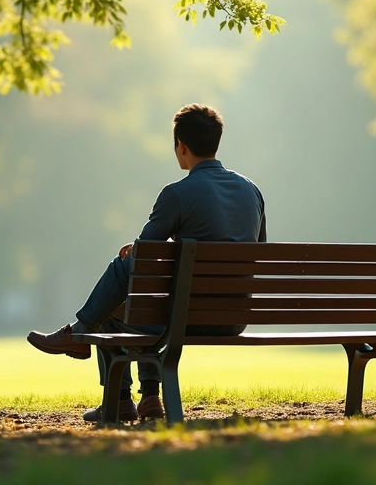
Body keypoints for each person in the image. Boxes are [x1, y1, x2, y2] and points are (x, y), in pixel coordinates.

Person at [27, 104, 267, 422]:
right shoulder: (252, 191)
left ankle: (106, 372)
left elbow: (142, 262)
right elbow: (258, 252)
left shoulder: (176, 194)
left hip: (185, 318)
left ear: (181, 146)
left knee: (118, 291)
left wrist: (140, 252)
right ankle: (148, 398)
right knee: (133, 300)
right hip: (235, 318)